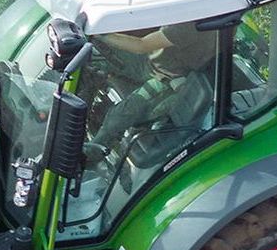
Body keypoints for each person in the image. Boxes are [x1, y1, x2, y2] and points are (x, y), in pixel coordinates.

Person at [88, 21, 215, 152]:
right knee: (92, 51)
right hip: (151, 62)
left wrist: (100, 34)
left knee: (116, 120)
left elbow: (142, 45)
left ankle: (90, 154)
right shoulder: (196, 15)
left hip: (166, 78)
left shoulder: (190, 23)